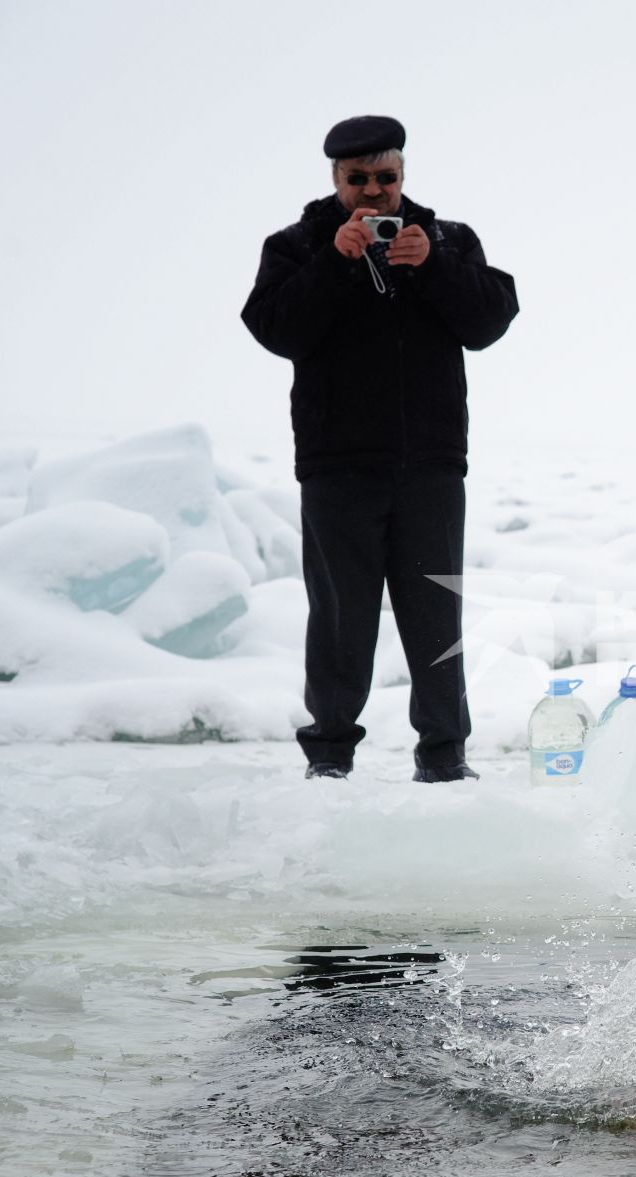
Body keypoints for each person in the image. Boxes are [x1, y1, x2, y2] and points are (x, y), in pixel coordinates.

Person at [242, 115, 518, 782]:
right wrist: (333, 263)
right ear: (334, 180)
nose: (373, 193)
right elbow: (276, 329)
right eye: (356, 179)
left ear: (402, 175)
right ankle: (329, 759)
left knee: (436, 616)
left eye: (384, 178)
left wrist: (435, 268)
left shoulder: (447, 240)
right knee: (340, 620)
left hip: (430, 465)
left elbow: (490, 320)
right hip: (338, 469)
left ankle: (445, 759)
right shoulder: (296, 246)